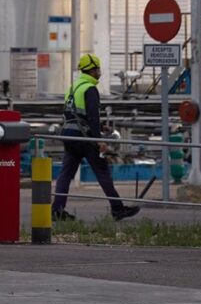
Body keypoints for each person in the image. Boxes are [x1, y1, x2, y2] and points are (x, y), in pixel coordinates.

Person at [51, 52, 141, 222]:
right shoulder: (90, 89)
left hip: (69, 136)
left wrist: (100, 127)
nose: (100, 71)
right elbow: (92, 116)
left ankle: (57, 209)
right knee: (102, 171)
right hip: (84, 138)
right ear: (91, 70)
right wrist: (98, 139)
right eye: (98, 69)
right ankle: (117, 209)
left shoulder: (73, 87)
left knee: (65, 174)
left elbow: (75, 114)